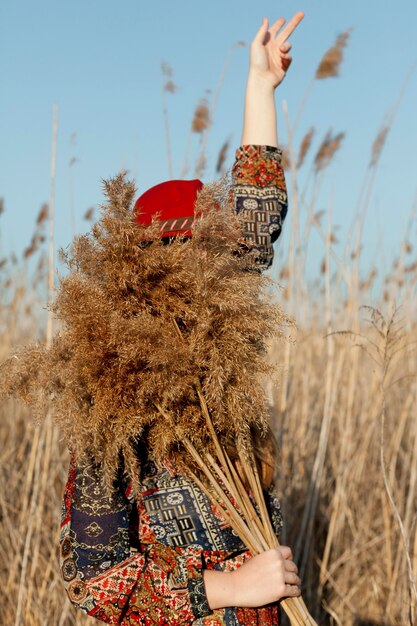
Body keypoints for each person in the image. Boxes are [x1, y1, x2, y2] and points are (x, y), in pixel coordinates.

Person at [60, 12, 304, 625]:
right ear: (139, 276)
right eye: (174, 266)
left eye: (207, 263)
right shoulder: (110, 403)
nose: (193, 285)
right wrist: (231, 587)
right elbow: (97, 584)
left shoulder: (219, 345)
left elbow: (255, 214)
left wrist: (258, 87)